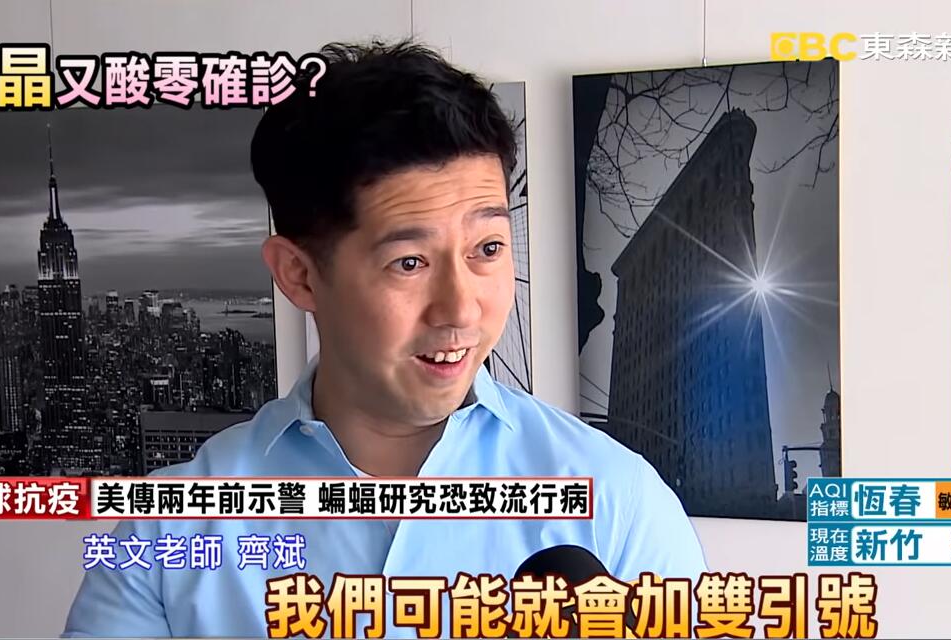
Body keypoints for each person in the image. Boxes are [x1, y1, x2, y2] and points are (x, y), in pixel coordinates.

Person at [63, 39, 707, 638]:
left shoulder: (616, 500)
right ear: (299, 276)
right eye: (410, 262)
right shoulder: (168, 533)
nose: (462, 308)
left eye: (488, 248)